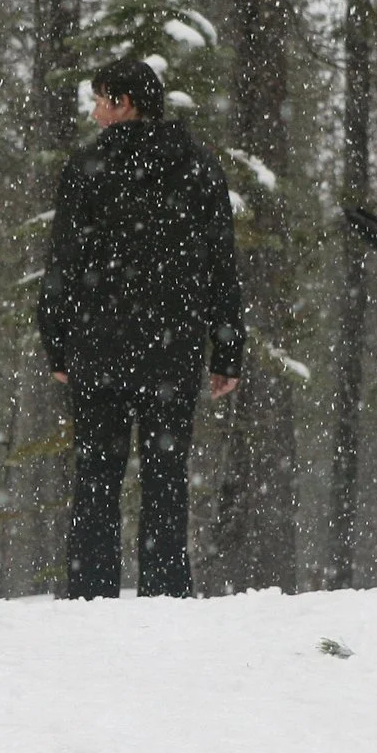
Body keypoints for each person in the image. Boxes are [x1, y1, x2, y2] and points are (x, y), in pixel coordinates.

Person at [39, 56, 244, 600]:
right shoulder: (198, 165)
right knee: (166, 475)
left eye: (100, 101)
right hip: (172, 345)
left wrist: (56, 342)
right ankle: (166, 593)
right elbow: (221, 263)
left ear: (124, 103)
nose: (95, 112)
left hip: (97, 342)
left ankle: (91, 595)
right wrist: (227, 348)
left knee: (96, 476)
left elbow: (63, 262)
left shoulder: (87, 167)